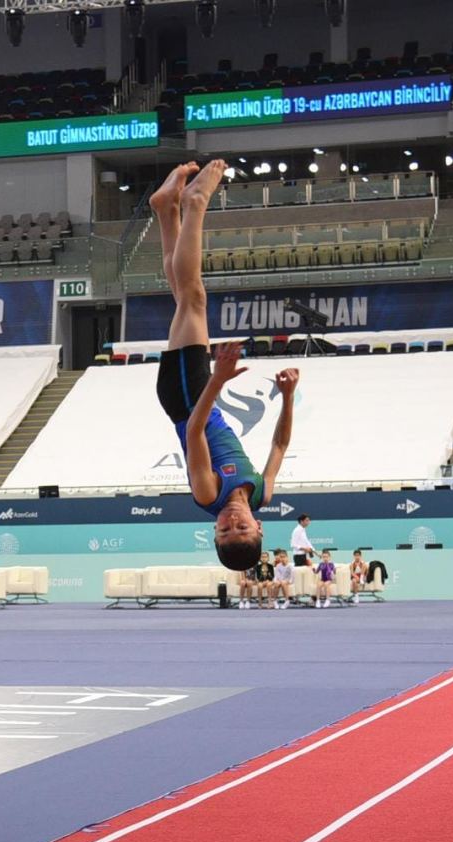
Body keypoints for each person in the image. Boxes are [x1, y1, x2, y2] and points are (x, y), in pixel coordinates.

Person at [150, 160, 299, 571]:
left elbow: (195, 430)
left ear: (213, 530)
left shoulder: (207, 492)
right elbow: (280, 446)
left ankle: (195, 203)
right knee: (184, 296)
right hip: (202, 392)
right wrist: (287, 397)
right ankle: (167, 209)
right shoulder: (261, 493)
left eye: (224, 531)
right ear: (259, 526)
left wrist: (216, 381)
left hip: (185, 397)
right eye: (242, 529)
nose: (232, 522)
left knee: (194, 299)